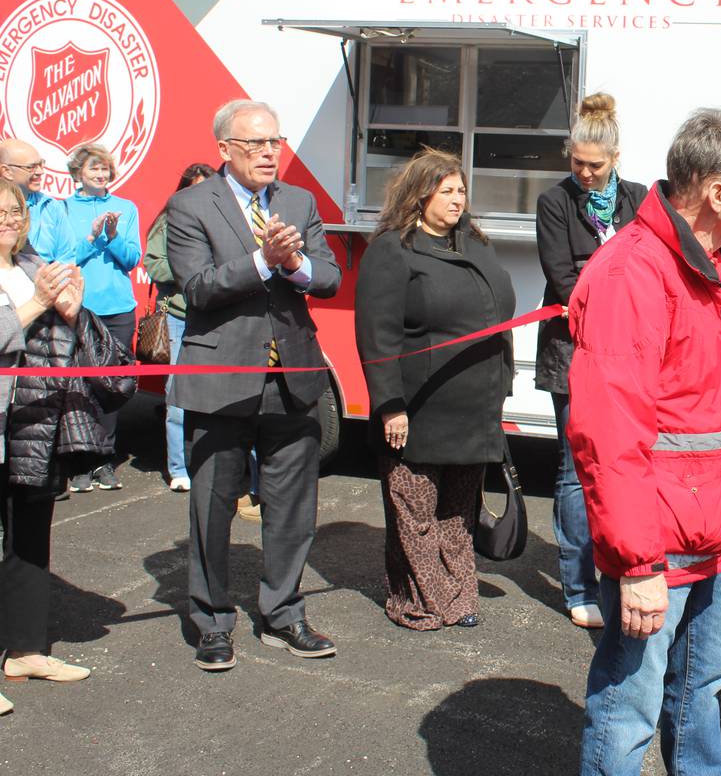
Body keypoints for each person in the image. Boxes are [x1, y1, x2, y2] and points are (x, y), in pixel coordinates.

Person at [567, 108, 721, 776]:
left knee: (701, 692)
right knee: (629, 703)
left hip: (718, 531)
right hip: (660, 539)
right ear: (717, 193)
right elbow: (610, 434)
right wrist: (636, 565)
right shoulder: (635, 272)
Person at [167, 99, 342, 671]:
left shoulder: (298, 201)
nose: (270, 153)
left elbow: (331, 276)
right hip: (221, 378)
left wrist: (294, 266)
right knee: (213, 506)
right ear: (225, 150)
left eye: (275, 142)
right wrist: (264, 261)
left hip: (291, 375)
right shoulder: (191, 204)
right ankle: (212, 621)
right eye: (256, 144)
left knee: (292, 506)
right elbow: (197, 286)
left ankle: (284, 612)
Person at [355, 149, 517, 631]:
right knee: (416, 514)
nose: (456, 200)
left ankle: (458, 596)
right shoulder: (392, 249)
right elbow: (376, 334)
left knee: (458, 513)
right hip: (420, 407)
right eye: (446, 191)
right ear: (420, 194)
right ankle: (419, 601)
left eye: (461, 190)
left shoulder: (475, 243)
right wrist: (390, 406)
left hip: (474, 406)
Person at [0, 177, 135, 701]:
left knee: (30, 541)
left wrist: (76, 314)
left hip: (35, 425)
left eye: (15, 209)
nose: (10, 218)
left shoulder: (36, 267)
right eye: (0, 210)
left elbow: (81, 350)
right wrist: (37, 304)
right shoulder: (35, 282)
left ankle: (27, 650)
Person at [535, 92, 646, 630]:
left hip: (631, 351)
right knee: (576, 469)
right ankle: (578, 585)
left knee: (627, 464)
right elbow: (563, 278)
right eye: (576, 162)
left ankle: (623, 569)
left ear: (615, 157)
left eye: (594, 165)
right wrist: (622, 304)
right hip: (572, 349)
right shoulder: (554, 203)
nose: (583, 173)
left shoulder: (640, 199)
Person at [61, 144, 141, 495]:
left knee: (110, 385)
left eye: (106, 169)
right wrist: (93, 237)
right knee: (79, 386)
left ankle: (104, 459)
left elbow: (132, 259)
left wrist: (112, 238)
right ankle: (79, 461)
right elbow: (65, 258)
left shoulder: (126, 207)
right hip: (78, 306)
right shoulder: (62, 208)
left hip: (119, 307)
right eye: (94, 169)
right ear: (78, 172)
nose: (101, 175)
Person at [143, 163, 219, 493]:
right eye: (193, 188)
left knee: (218, 395)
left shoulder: (221, 219)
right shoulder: (168, 219)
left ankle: (215, 463)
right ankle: (178, 467)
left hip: (214, 316)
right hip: (178, 315)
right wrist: (189, 269)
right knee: (176, 397)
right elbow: (153, 264)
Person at [0, 141, 76, 263]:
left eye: (41, 164)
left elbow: (67, 255)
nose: (40, 172)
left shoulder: (50, 206)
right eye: (31, 167)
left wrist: (54, 280)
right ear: (6, 171)